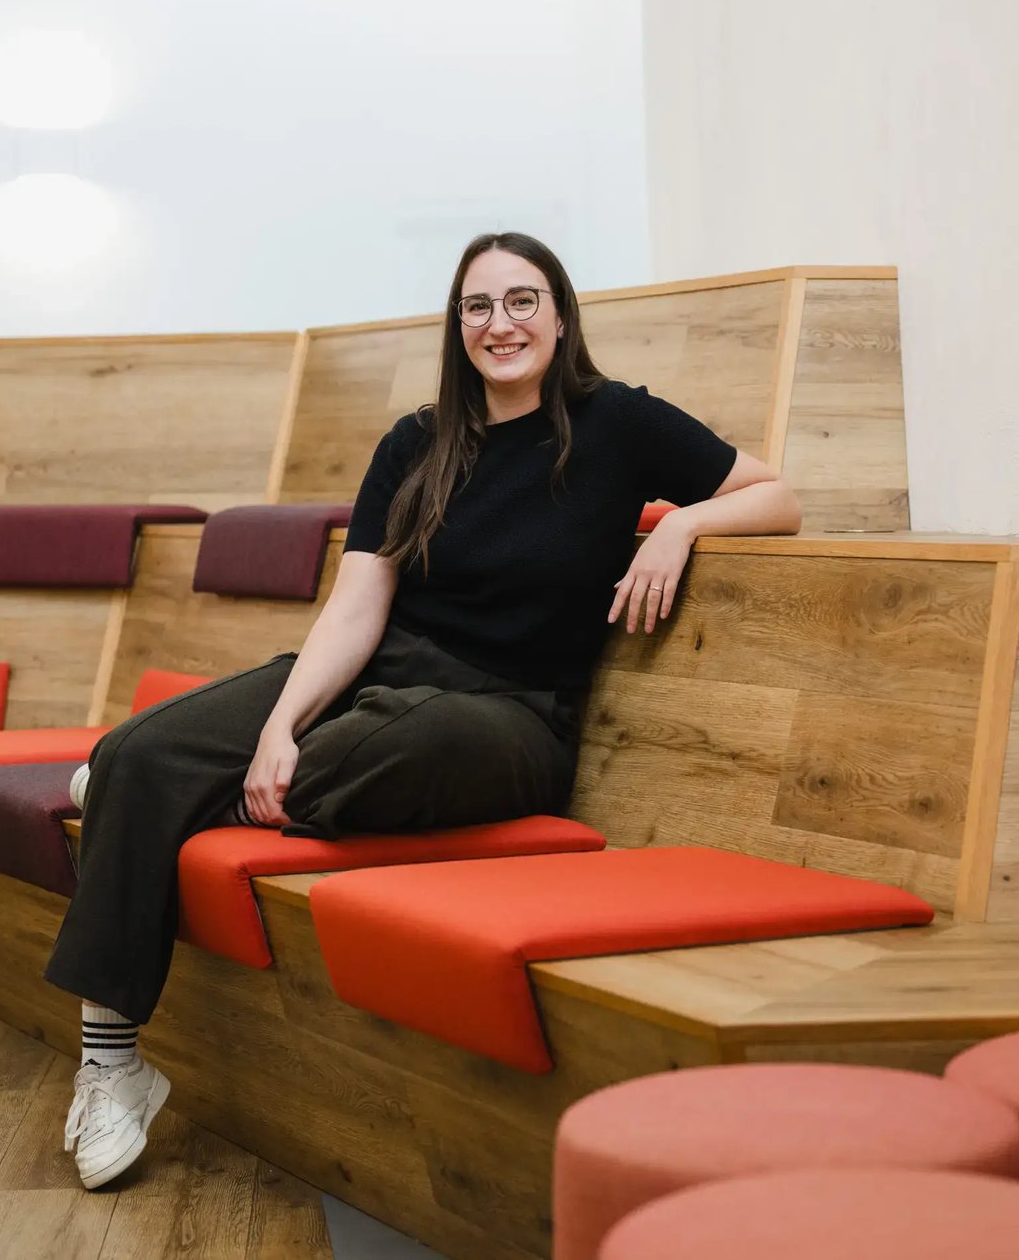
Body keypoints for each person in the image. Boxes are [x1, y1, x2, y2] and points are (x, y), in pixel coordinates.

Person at [45, 231, 803, 1188]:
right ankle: (112, 1063)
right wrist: (279, 723)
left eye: (523, 301)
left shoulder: (620, 423)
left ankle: (157, 798)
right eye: (480, 307)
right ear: (459, 326)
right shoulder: (417, 441)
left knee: (361, 751)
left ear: (561, 315)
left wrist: (682, 523)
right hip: (383, 674)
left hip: (509, 715)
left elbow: (781, 491)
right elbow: (358, 605)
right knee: (140, 750)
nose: (502, 324)